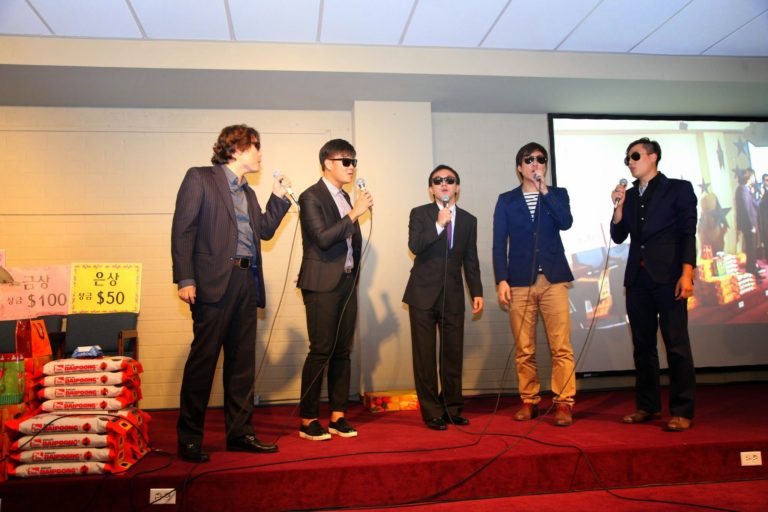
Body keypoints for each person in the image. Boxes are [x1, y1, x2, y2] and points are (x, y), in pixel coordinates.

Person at [171, 124, 292, 462]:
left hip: (245, 282)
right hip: (211, 283)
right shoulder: (200, 178)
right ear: (237, 149)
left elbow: (264, 231)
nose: (261, 154)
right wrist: (185, 278)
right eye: (256, 147)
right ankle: (189, 439)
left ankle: (240, 434)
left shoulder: (249, 193)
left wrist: (278, 197)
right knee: (203, 362)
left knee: (241, 364)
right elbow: (183, 230)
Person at [611, 137, 697, 432]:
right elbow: (618, 235)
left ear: (653, 157)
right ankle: (647, 406)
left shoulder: (678, 189)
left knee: (676, 345)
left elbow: (688, 233)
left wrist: (687, 273)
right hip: (637, 279)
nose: (630, 162)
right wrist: (618, 207)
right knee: (643, 346)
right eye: (627, 158)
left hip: (669, 277)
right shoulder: (629, 196)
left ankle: (682, 410)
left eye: (635, 156)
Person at [492, 142, 576, 427]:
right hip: (519, 281)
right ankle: (529, 401)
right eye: (529, 160)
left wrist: (545, 191)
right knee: (524, 348)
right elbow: (498, 243)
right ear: (520, 167)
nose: (535, 164)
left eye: (540, 159)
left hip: (553, 279)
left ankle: (563, 403)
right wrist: (501, 279)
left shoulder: (558, 194)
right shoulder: (506, 200)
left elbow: (565, 222)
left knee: (561, 346)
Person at [296, 139, 373, 441]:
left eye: (354, 162)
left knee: (343, 351)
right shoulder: (310, 197)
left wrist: (353, 211)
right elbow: (323, 238)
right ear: (328, 163)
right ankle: (308, 420)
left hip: (346, 282)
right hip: (321, 284)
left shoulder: (345, 197)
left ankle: (337, 416)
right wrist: (355, 213)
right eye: (346, 161)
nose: (352, 167)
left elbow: (351, 243)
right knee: (321, 351)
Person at [403, 165, 484, 431]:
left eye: (450, 180)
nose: (444, 184)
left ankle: (451, 407)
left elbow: (471, 260)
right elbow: (415, 246)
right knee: (424, 357)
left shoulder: (469, 220)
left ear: (457, 187)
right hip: (422, 294)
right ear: (431, 189)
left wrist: (477, 291)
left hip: (453, 295)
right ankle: (432, 412)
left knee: (452, 355)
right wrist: (439, 224)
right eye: (438, 181)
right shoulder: (420, 214)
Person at [734, 168, 761, 280]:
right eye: (753, 176)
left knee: (752, 247)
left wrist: (758, 196)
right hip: (749, 225)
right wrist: (751, 225)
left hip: (751, 223)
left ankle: (752, 268)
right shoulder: (742, 190)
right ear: (750, 177)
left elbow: (755, 205)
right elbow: (746, 209)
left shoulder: (747, 190)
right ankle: (752, 271)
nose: (755, 179)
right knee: (751, 248)